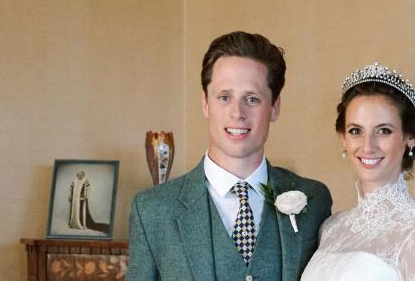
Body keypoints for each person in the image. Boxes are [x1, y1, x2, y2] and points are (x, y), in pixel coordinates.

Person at [127, 31, 333, 281]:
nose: (237, 112)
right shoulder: (152, 210)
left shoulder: (315, 200)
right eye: (224, 97)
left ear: (275, 108)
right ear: (205, 103)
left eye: (252, 99)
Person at [301, 62, 415, 281]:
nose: (367, 146)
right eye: (356, 131)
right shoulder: (330, 228)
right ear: (343, 138)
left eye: (383, 131)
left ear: (411, 137)